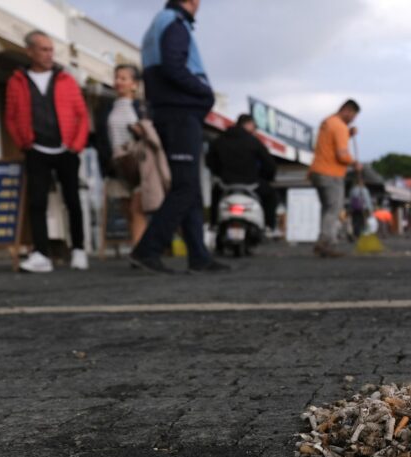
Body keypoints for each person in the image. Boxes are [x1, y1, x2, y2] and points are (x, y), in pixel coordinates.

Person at [132, 0, 227, 274]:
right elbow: (173, 66)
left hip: (169, 112)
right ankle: (147, 249)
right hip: (180, 114)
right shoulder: (174, 23)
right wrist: (204, 93)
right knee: (185, 188)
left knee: (190, 188)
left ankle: (198, 255)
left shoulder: (158, 23)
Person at [5, 30, 90, 273]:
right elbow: (10, 116)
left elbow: (81, 115)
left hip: (66, 149)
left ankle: (79, 249)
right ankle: (41, 254)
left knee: (72, 201)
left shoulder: (66, 79)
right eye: (43, 49)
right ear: (29, 51)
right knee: (37, 202)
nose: (48, 54)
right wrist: (24, 143)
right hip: (36, 149)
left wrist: (76, 145)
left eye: (51, 49)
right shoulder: (16, 81)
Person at [95, 64, 148, 246]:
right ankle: (140, 246)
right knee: (127, 209)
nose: (118, 82)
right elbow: (101, 138)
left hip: (139, 164)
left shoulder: (142, 108)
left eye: (124, 78)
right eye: (117, 78)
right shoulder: (106, 108)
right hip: (116, 166)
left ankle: (139, 250)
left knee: (137, 208)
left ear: (134, 84)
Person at [206, 114, 278, 235]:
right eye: (254, 126)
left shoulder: (219, 140)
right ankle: (268, 227)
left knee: (215, 196)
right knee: (271, 196)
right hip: (251, 184)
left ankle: (214, 225)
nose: (255, 129)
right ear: (248, 124)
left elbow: (209, 161)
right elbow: (269, 164)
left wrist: (220, 173)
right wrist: (267, 177)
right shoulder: (253, 141)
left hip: (226, 184)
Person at [309, 99, 362, 258]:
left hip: (316, 171)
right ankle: (326, 243)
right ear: (347, 110)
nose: (353, 119)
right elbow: (341, 154)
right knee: (334, 208)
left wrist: (347, 132)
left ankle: (324, 239)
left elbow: (329, 143)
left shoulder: (327, 122)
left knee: (327, 208)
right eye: (353, 115)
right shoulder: (339, 126)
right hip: (331, 173)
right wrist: (354, 163)